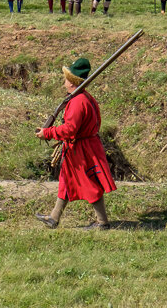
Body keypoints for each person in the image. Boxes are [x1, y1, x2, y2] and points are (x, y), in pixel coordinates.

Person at [34, 57, 115, 230]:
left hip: (82, 150)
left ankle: (102, 222)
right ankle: (54, 217)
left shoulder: (78, 102)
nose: (64, 82)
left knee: (89, 184)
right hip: (83, 147)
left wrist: (47, 132)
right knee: (66, 180)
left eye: (66, 79)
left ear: (71, 82)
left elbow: (70, 129)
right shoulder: (84, 98)